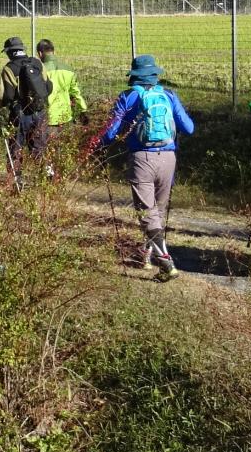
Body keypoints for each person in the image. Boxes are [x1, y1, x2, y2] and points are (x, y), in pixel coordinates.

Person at [100, 54, 196, 279]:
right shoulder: (169, 95)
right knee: (157, 211)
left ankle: (165, 260)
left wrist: (100, 144)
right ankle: (145, 253)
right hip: (168, 159)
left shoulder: (128, 97)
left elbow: (111, 131)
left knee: (146, 212)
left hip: (141, 159)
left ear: (134, 75)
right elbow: (189, 128)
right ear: (154, 75)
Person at [0, 36, 51, 186]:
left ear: (9, 52)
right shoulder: (37, 63)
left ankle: (17, 181)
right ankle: (48, 177)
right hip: (40, 113)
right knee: (39, 146)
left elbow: (6, 95)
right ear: (22, 49)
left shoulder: (9, 68)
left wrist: (0, 106)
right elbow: (49, 87)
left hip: (20, 114)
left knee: (16, 147)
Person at [37, 38, 89, 174]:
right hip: (65, 116)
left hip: (47, 116)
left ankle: (49, 177)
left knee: (47, 149)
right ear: (54, 51)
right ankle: (62, 175)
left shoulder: (39, 70)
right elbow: (76, 92)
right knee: (62, 148)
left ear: (39, 53)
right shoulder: (68, 69)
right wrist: (83, 110)